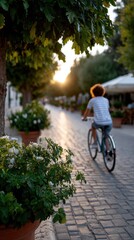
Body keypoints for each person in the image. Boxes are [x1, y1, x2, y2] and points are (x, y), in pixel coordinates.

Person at [82, 83, 112, 148]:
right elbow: (107, 110)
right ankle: (108, 152)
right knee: (105, 135)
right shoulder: (106, 100)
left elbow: (87, 111)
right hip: (109, 122)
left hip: (99, 122)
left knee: (93, 127)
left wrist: (84, 118)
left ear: (93, 92)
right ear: (102, 92)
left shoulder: (92, 100)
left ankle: (95, 142)